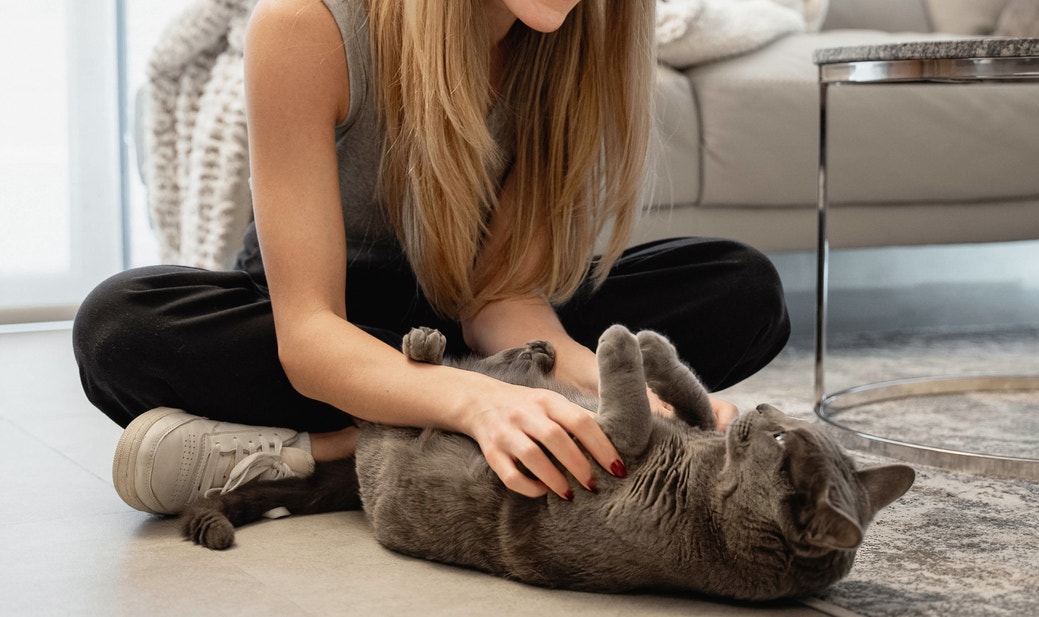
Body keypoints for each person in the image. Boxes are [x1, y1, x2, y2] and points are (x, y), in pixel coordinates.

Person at [73, 0, 790, 516]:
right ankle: (465, 434)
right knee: (121, 327)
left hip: (466, 315)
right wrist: (479, 400)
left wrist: (604, 387)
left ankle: (333, 451)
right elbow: (309, 330)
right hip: (339, 314)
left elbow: (502, 305)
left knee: (739, 286)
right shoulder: (303, 25)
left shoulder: (573, 46)